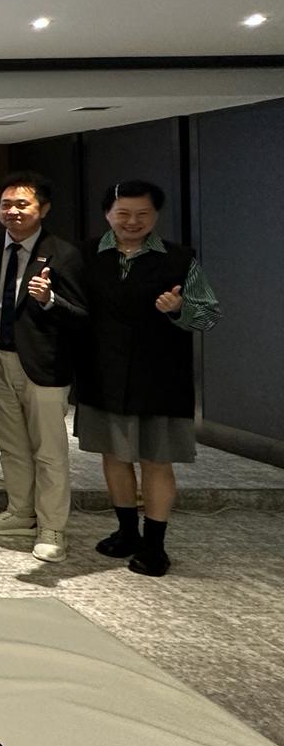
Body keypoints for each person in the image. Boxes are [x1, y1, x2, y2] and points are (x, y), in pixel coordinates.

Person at [75, 180, 221, 578]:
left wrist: (178, 309)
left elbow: (209, 315)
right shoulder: (86, 254)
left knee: (156, 461)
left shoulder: (180, 259)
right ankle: (126, 532)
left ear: (156, 216)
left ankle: (155, 545)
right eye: (123, 213)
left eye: (142, 214)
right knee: (114, 456)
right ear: (107, 214)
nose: (132, 221)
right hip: (102, 373)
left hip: (160, 377)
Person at [0, 171, 89, 563]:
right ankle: (21, 511)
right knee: (11, 445)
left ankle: (52, 526)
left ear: (44, 208)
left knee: (49, 450)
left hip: (43, 365)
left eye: (22, 204)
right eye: (6, 204)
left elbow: (82, 316)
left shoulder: (63, 254)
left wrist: (50, 300)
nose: (13, 211)